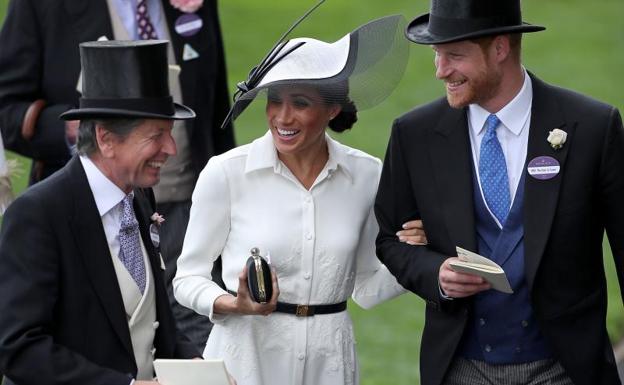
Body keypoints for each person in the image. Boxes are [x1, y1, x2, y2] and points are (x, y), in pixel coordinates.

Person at [374, 0, 624, 384]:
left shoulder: (591, 127)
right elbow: (391, 239)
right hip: (460, 367)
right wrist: (435, 273)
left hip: (567, 368)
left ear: (500, 48)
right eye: (437, 55)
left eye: (454, 56)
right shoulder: (414, 135)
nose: (441, 71)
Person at [173, 14, 425, 385]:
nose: (282, 116)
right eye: (275, 100)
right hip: (245, 363)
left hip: (330, 364)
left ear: (332, 110)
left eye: (301, 103)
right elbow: (187, 278)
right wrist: (234, 304)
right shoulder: (225, 173)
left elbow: (368, 288)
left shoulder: (367, 175)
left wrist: (413, 254)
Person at [0, 0, 234, 351]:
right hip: (92, 210)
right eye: (158, 135)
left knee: (195, 341)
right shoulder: (41, 6)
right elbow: (25, 346)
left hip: (191, 211)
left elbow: (217, 108)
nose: (169, 147)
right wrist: (77, 128)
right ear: (105, 139)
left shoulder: (194, 3)